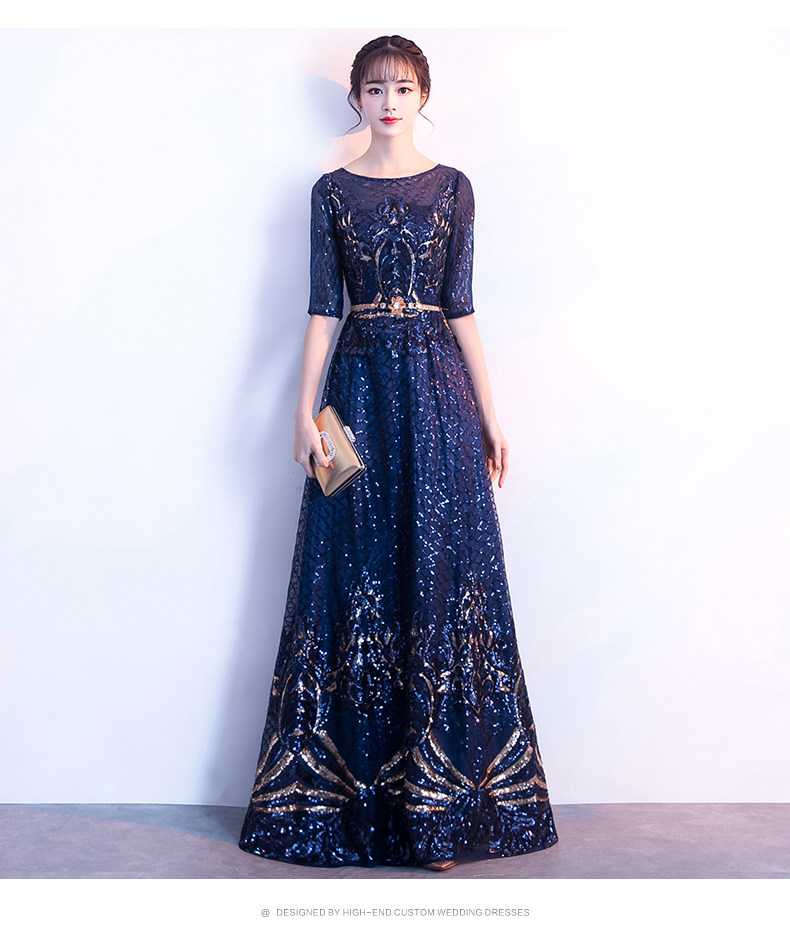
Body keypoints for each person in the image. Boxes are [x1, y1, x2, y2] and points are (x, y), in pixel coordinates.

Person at [238, 34, 558, 869]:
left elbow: (462, 306)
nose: (389, 101)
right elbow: (322, 308)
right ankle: (348, 807)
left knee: (440, 572)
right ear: (355, 98)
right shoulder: (330, 192)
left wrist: (490, 413)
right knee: (351, 571)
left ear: (424, 96)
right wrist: (302, 409)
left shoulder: (454, 188)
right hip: (358, 397)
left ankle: (439, 813)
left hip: (439, 400)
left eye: (404, 87)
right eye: (375, 87)